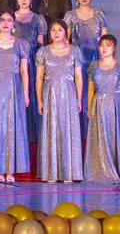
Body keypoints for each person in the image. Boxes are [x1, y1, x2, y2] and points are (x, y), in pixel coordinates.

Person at [0, 13, 30, 183]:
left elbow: (24, 70)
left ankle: (10, 171)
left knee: (12, 126)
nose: (6, 23)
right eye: (2, 20)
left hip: (14, 87)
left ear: (14, 23)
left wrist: (25, 92)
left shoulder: (20, 44)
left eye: (9, 20)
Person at [84, 34, 120, 184]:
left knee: (117, 138)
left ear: (114, 48)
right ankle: (102, 172)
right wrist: (89, 108)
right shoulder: (93, 66)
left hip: (116, 105)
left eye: (108, 45)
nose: (104, 48)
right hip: (99, 105)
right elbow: (91, 89)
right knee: (101, 138)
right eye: (101, 45)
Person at [35, 20, 84, 183]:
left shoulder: (74, 51)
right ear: (49, 33)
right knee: (52, 129)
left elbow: (78, 76)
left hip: (69, 93)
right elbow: (39, 78)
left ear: (65, 32)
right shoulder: (43, 51)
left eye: (60, 30)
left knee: (68, 130)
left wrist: (78, 99)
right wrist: (39, 100)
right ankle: (52, 173)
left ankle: (69, 173)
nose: (56, 33)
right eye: (53, 30)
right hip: (50, 94)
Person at [63, 0, 109, 136]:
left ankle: (96, 133)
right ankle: (79, 133)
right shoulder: (70, 15)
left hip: (96, 59)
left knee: (95, 93)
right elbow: (66, 40)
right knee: (79, 94)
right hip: (77, 60)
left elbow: (105, 39)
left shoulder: (99, 14)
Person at [12, 0, 47, 142]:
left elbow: (40, 42)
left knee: (31, 93)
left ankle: (31, 132)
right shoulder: (9, 17)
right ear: (16, 0)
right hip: (14, 60)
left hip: (32, 60)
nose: (23, 0)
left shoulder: (38, 18)